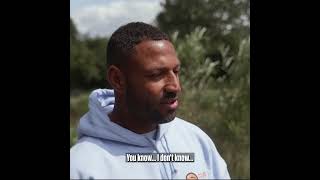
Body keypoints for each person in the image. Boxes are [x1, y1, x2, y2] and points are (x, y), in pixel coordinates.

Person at [70, 22, 230, 179]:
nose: (175, 87)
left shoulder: (195, 139)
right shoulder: (81, 167)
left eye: (176, 71)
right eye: (156, 75)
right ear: (117, 79)